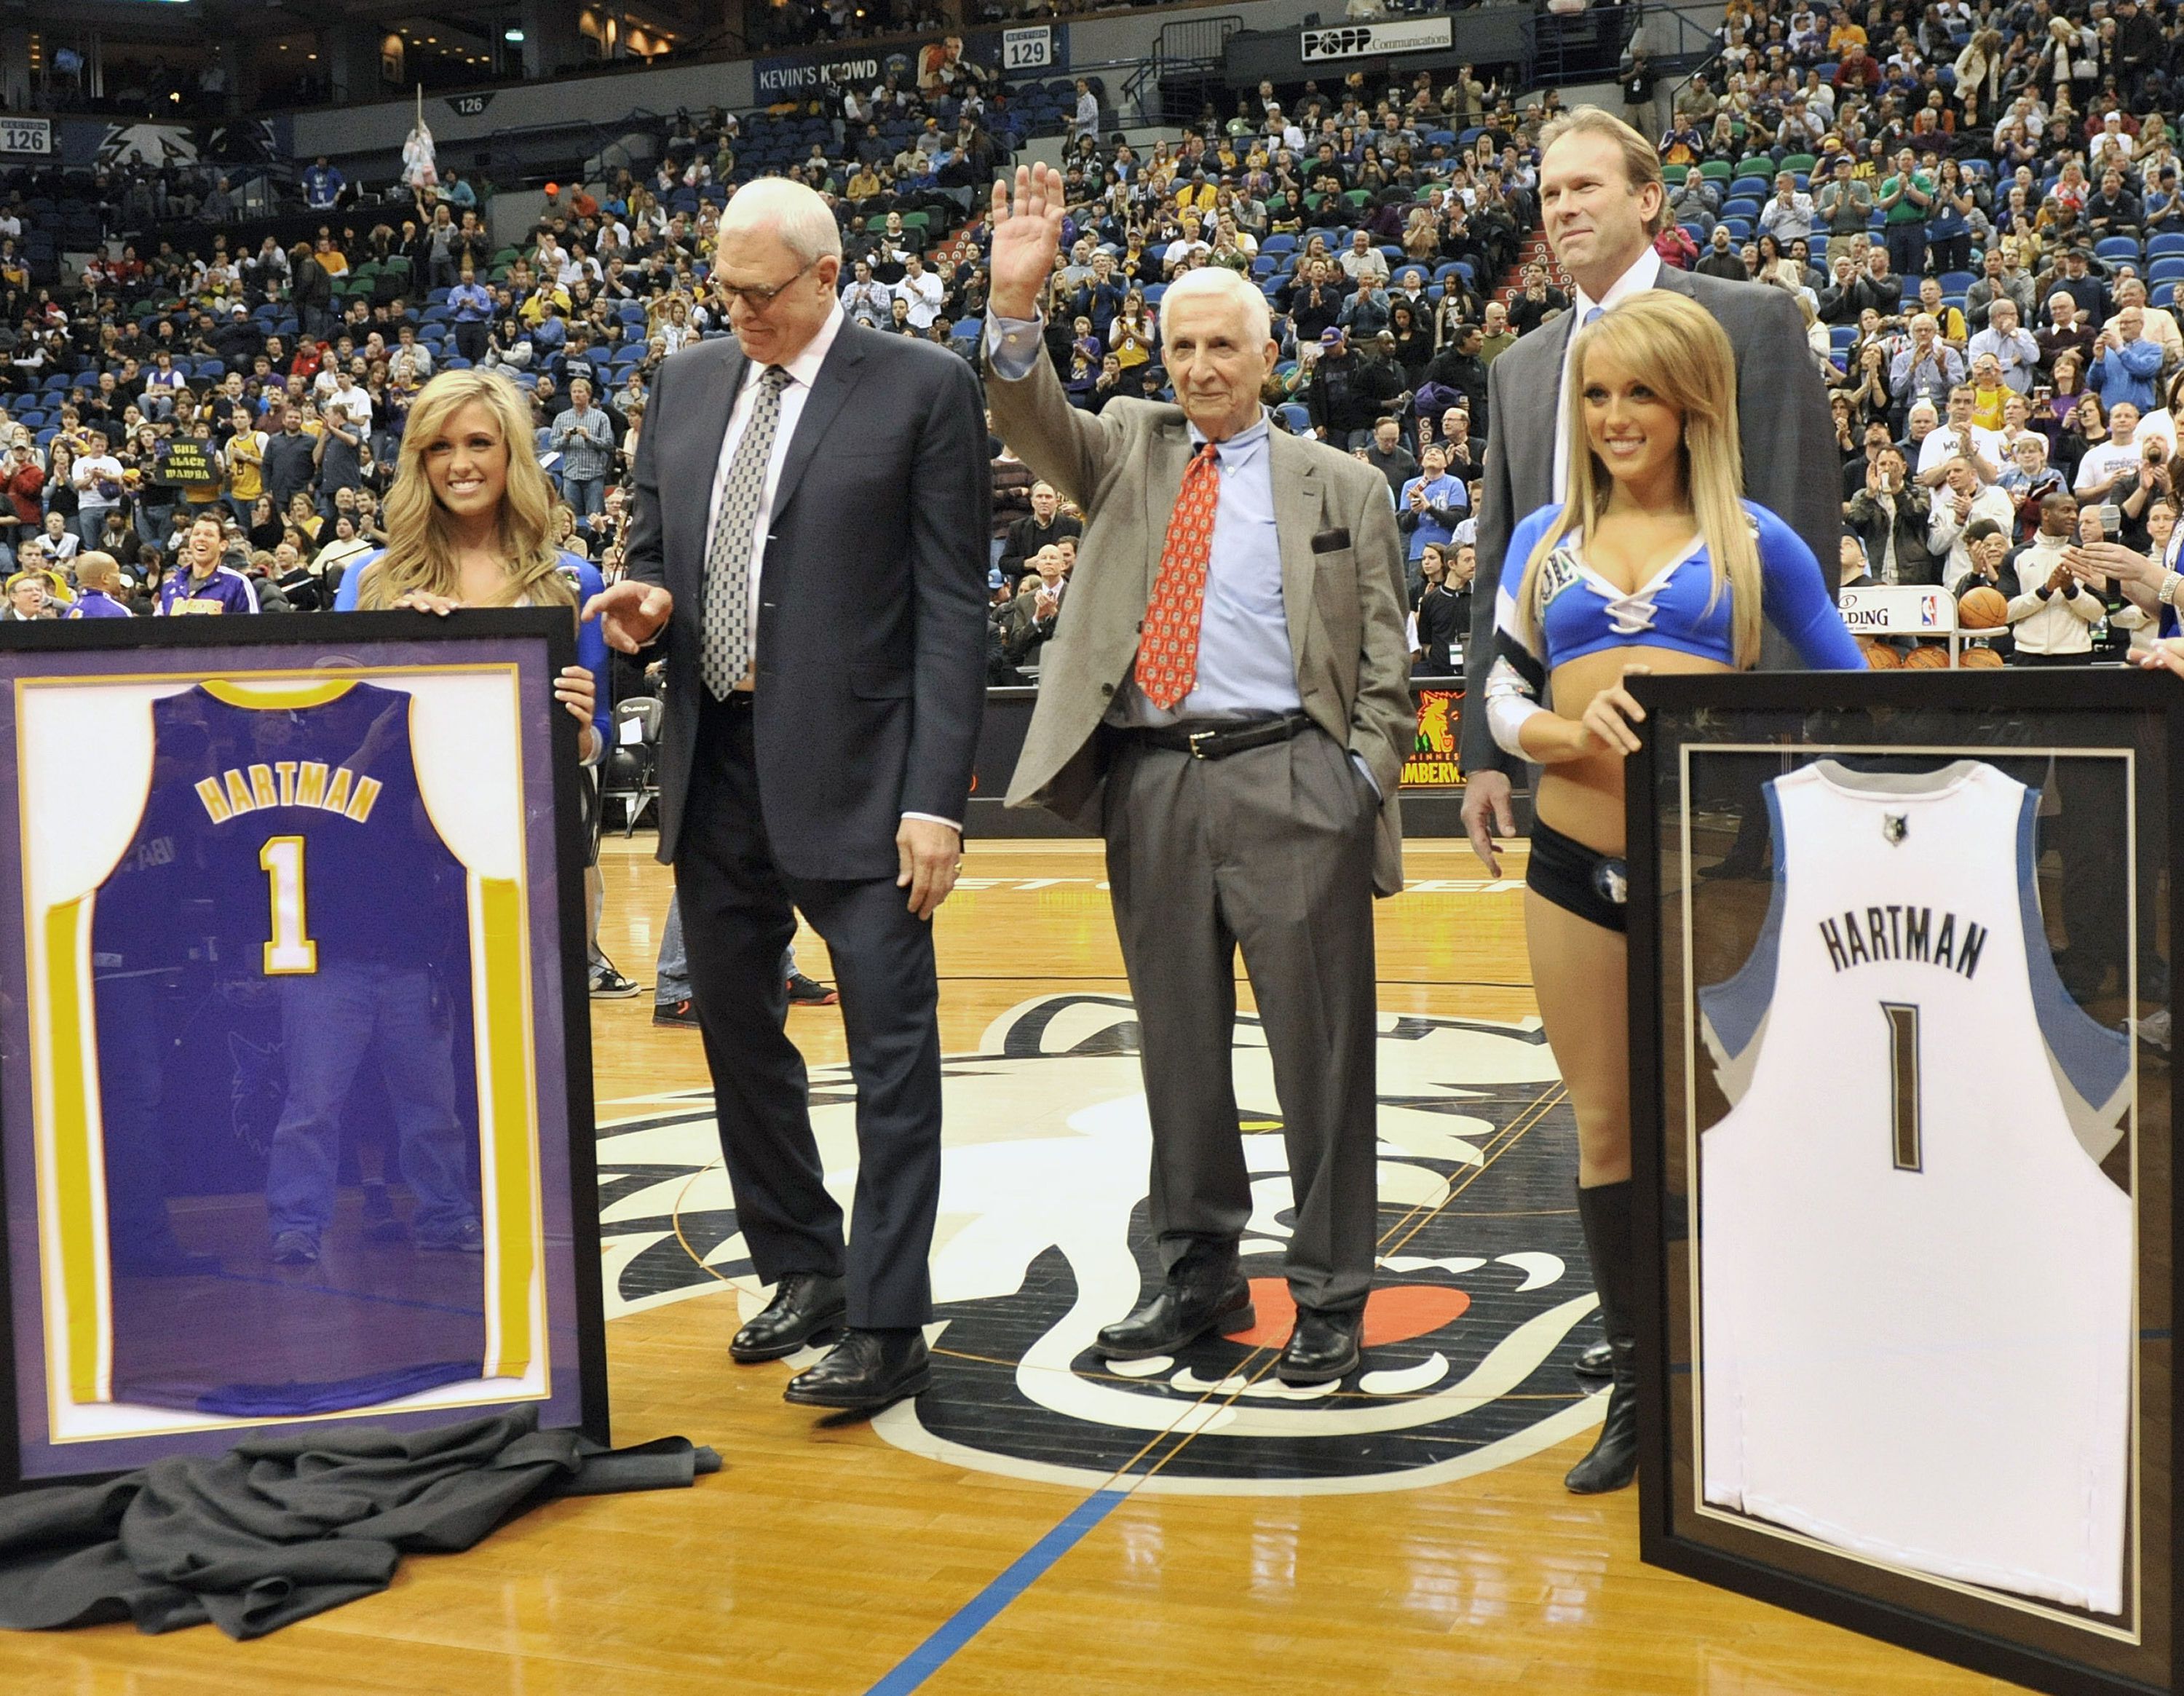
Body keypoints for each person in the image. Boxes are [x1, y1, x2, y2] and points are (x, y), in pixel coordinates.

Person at [984, 162, 1414, 1387]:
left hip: (1293, 785)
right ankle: (1198, 1272)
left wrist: (1360, 784)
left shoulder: (1345, 485)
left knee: (1320, 1056)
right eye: (1181, 347)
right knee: (1175, 1047)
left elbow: (1386, 654)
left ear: (1267, 354)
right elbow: (1026, 420)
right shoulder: (1126, 451)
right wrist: (1017, 309)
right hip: (1156, 783)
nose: (1200, 367)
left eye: (1223, 345)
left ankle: (1330, 1292)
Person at [585, 177, 990, 1415]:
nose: (738, 311)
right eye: (725, 290)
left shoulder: (923, 387)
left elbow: (952, 609)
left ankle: (887, 1314)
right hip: (716, 771)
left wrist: (937, 797)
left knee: (890, 1054)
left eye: (760, 292)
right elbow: (654, 554)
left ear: (828, 276)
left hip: (867, 784)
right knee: (738, 1043)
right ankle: (801, 1268)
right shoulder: (691, 382)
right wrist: (644, 611)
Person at [1483, 291, 1861, 1494]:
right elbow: (1496, 696)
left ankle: (1743, 1380)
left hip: (1712, 883)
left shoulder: (1758, 543)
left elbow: (1851, 696)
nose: (1613, 417)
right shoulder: (1544, 538)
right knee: (1605, 1130)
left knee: (1725, 1129)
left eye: (1639, 392)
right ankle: (1645, 1395)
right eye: (1596, 395)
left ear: (1693, 402)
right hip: (1569, 871)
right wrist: (1556, 732)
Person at [1463, 108, 1840, 877]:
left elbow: (1793, 516)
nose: (1562, 206)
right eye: (1549, 194)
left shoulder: (1752, 319)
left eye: (1584, 186)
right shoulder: (1520, 367)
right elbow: (1504, 565)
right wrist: (1483, 748)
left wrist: (1780, 725)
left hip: (1730, 756)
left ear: (1646, 200)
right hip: (1570, 756)